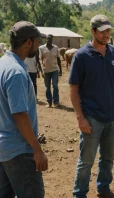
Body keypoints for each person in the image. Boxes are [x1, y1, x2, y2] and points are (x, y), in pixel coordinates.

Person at [69, 14, 114, 198]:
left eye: (108, 30)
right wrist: (80, 117)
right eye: (102, 31)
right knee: (86, 160)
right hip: (91, 118)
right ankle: (79, 194)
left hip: (111, 117)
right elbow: (73, 89)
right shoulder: (81, 56)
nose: (106, 35)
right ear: (92, 31)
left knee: (108, 158)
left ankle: (103, 189)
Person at [0, 21, 48, 198]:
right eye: (37, 42)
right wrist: (37, 149)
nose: (38, 45)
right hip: (20, 150)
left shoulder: (3, 64)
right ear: (28, 42)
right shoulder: (16, 73)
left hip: (4, 149)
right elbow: (19, 114)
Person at [39, 34, 62, 108]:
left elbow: (58, 59)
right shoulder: (41, 48)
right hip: (46, 70)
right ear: (46, 39)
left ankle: (56, 102)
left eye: (50, 39)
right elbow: (40, 59)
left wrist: (60, 69)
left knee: (55, 85)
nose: (49, 40)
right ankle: (49, 102)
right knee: (47, 87)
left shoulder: (56, 48)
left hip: (54, 69)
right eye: (47, 39)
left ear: (52, 40)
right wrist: (41, 71)